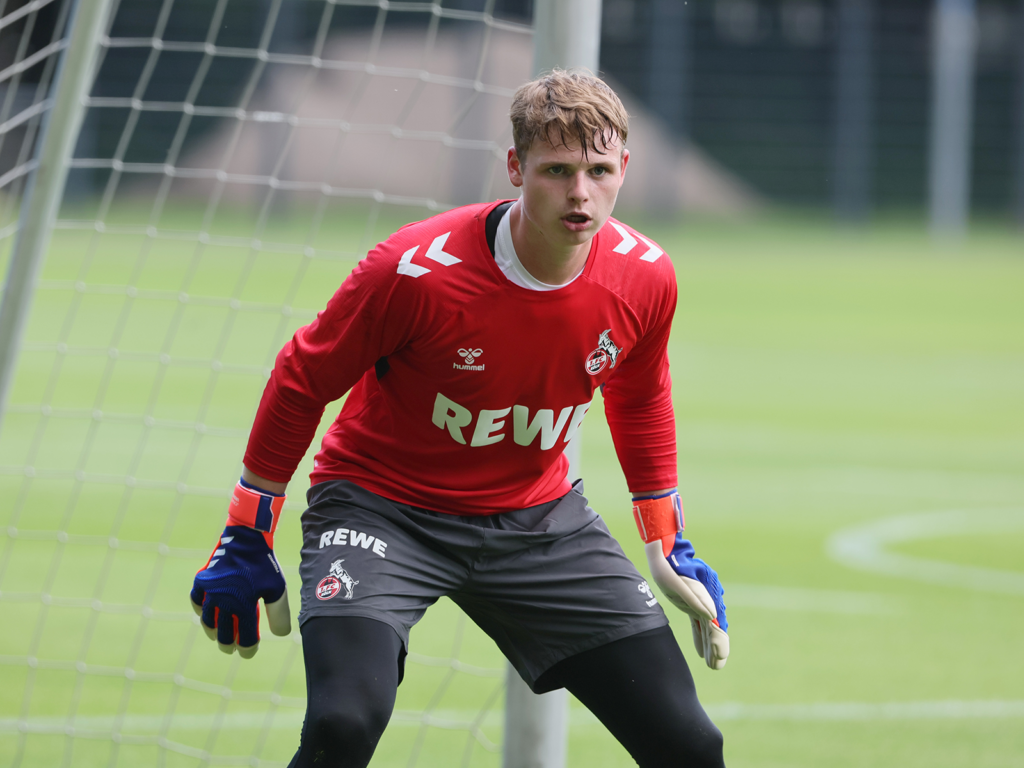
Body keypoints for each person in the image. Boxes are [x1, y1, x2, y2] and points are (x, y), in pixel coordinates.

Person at [190, 70, 730, 768]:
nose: (579, 193)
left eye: (599, 170)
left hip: (540, 522)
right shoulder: (414, 271)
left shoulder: (647, 276)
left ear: (625, 167)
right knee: (343, 722)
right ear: (515, 167)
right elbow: (303, 375)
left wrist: (666, 541)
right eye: (557, 170)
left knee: (690, 743)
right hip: (382, 512)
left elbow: (640, 391)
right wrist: (246, 526)